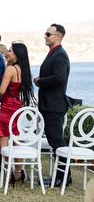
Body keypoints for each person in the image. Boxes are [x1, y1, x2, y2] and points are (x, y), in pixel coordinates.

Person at [34, 24, 72, 188]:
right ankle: (63, 176)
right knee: (54, 141)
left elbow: (59, 78)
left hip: (54, 106)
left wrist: (40, 82)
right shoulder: (53, 54)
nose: (45, 36)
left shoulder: (60, 55)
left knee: (57, 143)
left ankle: (62, 178)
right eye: (45, 33)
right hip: (49, 105)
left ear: (58, 36)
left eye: (48, 34)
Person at [0, 42, 34, 186]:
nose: (7, 53)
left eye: (9, 51)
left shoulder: (10, 69)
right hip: (18, 108)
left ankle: (8, 173)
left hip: (8, 107)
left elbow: (2, 90)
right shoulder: (24, 69)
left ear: (16, 54)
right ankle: (19, 172)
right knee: (16, 141)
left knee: (3, 142)